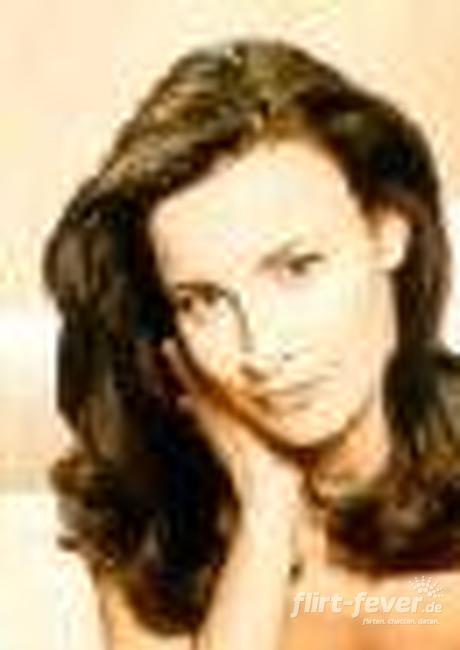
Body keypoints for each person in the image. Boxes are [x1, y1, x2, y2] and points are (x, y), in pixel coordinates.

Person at [43, 39, 460, 649]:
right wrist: (266, 513)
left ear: (387, 232)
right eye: (203, 300)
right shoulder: (147, 518)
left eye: (297, 268)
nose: (261, 349)